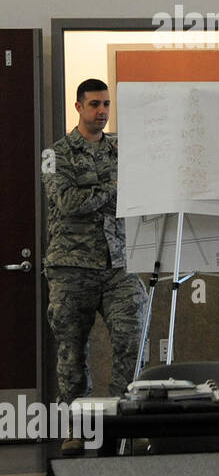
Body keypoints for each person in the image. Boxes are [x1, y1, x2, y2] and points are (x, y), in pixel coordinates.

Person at [43, 79, 148, 451]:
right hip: (71, 266)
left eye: (106, 104)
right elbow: (68, 202)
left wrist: (106, 190)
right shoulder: (55, 154)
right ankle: (76, 429)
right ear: (78, 107)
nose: (102, 111)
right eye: (94, 105)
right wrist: (113, 188)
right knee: (72, 352)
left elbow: (138, 195)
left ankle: (124, 422)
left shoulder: (121, 153)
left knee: (133, 340)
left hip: (118, 263)